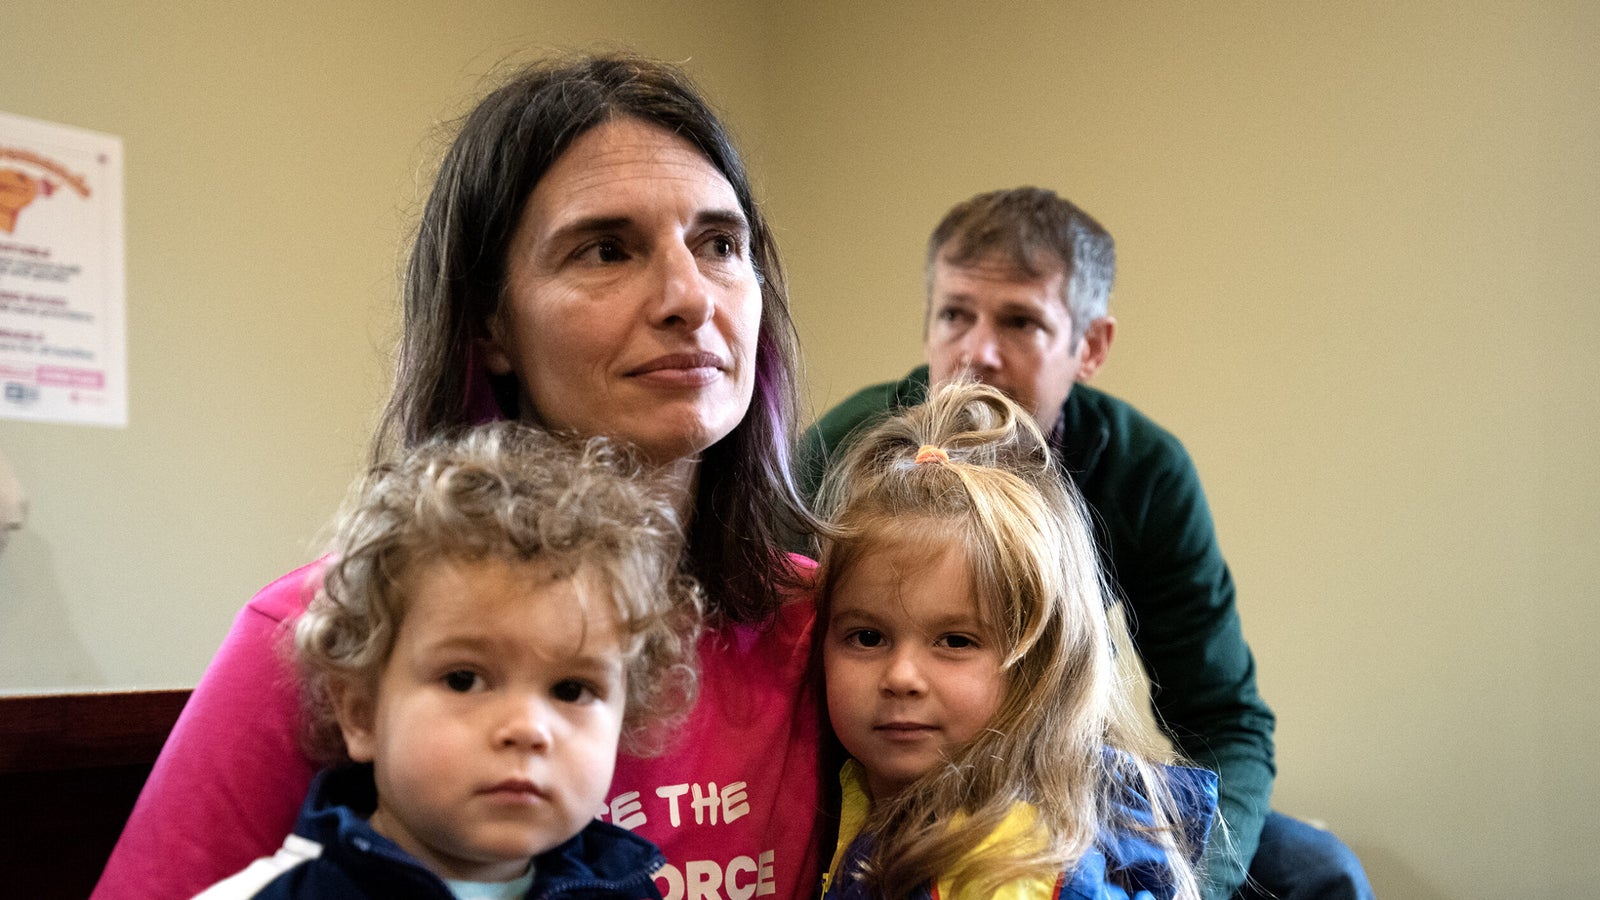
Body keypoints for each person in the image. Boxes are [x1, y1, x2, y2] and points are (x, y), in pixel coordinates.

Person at [96, 54, 823, 900]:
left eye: (720, 244)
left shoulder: (842, 633)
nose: (689, 296)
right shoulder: (319, 632)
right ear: (490, 326)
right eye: (606, 249)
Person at [797, 188, 1371, 900]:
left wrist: (1199, 886)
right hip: (879, 773)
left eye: (1020, 322)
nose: (977, 350)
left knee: (1319, 872)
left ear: (1090, 346)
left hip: (1062, 773)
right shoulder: (844, 454)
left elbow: (1226, 721)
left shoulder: (1146, 474)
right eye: (954, 315)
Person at [196, 423, 697, 898]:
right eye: (463, 679)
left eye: (571, 690)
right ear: (361, 712)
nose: (527, 728)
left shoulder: (626, 886)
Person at [812, 381, 1216, 900]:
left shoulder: (1016, 866)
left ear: (1041, 662)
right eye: (867, 637)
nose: (901, 677)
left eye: (955, 641)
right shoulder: (858, 789)